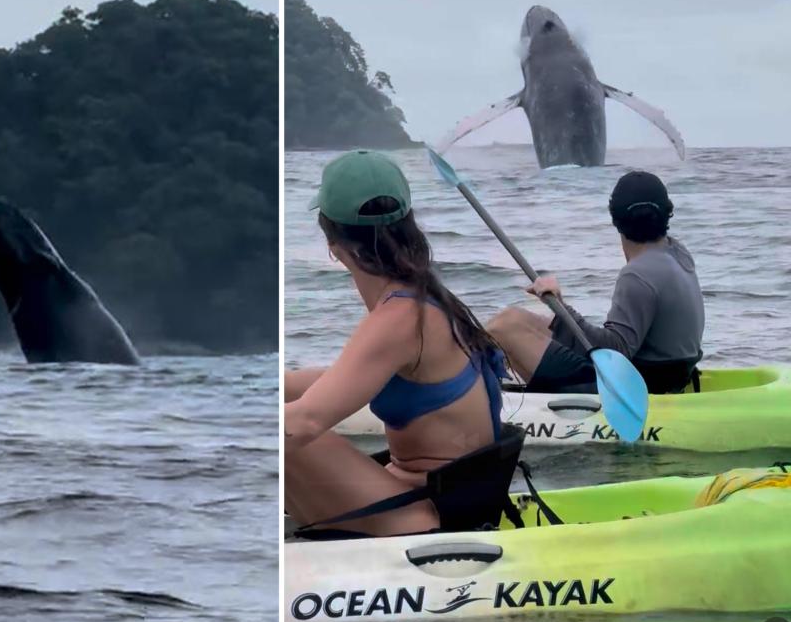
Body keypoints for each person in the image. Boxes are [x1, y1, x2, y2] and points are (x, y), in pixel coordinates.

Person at [284, 150, 510, 537]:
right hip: (438, 500)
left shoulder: (399, 319)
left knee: (282, 431)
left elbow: (305, 422)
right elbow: (340, 379)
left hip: (429, 519)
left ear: (333, 245)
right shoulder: (422, 298)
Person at [487, 170, 704, 394]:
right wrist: (560, 315)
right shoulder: (678, 253)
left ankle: (482, 399)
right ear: (667, 213)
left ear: (615, 219)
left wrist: (561, 308)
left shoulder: (637, 275)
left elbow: (616, 352)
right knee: (514, 318)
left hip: (631, 391)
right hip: (669, 377)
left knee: (502, 329)